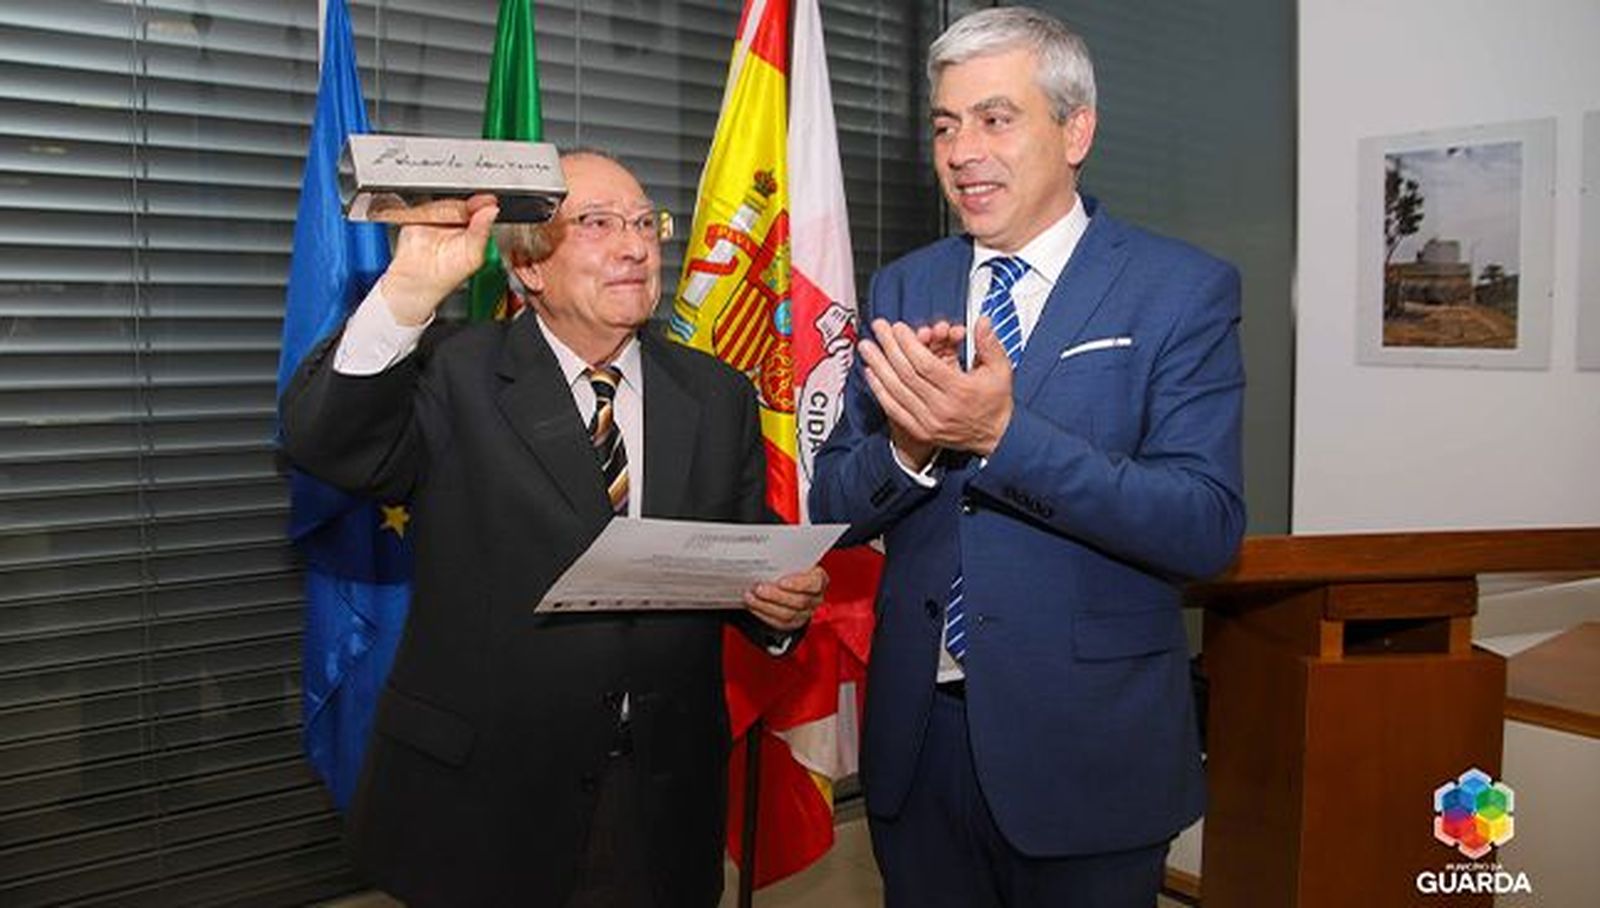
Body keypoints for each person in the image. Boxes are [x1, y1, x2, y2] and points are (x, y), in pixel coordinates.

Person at [281, 150, 827, 908]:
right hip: (484, 800)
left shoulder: (715, 393)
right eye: (598, 225)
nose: (635, 246)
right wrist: (407, 293)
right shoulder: (450, 373)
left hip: (661, 801)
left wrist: (778, 606)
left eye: (645, 224)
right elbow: (324, 443)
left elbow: (738, 555)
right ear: (530, 267)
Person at [809, 7, 1246, 907]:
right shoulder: (904, 285)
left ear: (1075, 128)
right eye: (945, 124)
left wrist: (1002, 438)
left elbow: (1204, 528)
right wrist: (912, 442)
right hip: (918, 746)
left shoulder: (1181, 289)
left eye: (995, 119)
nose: (962, 150)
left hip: (1089, 755)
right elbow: (834, 505)